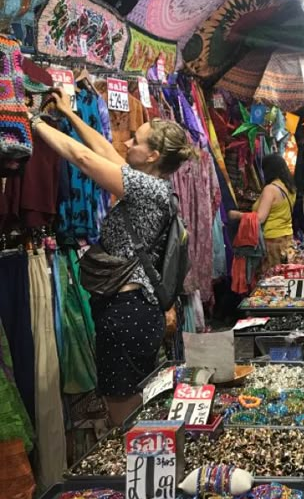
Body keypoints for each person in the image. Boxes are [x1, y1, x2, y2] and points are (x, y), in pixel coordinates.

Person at [30, 90, 195, 424]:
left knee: (124, 414)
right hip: (136, 312)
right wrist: (70, 114)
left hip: (126, 313)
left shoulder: (146, 190)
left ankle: (137, 466)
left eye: (136, 140)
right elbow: (102, 148)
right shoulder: (152, 184)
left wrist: (33, 122)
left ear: (154, 155)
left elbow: (84, 159)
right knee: (134, 402)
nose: (127, 142)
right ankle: (146, 460)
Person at [229, 153, 296, 268]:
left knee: (271, 279)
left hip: (272, 243)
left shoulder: (270, 189)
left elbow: (260, 218)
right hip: (287, 240)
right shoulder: (290, 188)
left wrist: (236, 215)